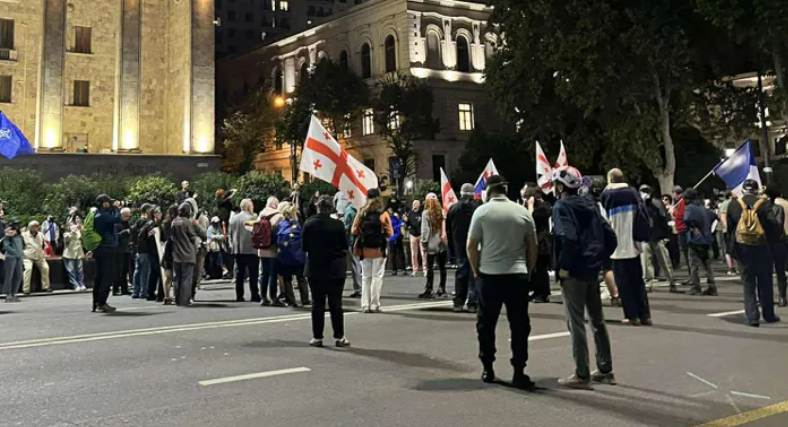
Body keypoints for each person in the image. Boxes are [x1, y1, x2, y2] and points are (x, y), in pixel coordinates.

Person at [467, 175, 537, 389]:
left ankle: (488, 367)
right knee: (519, 325)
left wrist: (476, 270)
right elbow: (532, 246)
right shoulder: (522, 212)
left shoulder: (482, 212)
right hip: (517, 275)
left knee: (486, 324)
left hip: (489, 276)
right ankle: (519, 370)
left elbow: (471, 245)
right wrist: (529, 269)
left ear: (489, 191)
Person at [552, 167, 617, 389]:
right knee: (597, 320)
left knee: (576, 322)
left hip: (575, 271)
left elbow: (567, 238)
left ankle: (581, 373)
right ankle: (605, 369)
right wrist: (600, 258)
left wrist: (564, 268)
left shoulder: (562, 206)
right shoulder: (590, 204)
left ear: (561, 187)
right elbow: (610, 235)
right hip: (592, 268)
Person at [727, 179, 782, 326]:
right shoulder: (764, 205)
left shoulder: (734, 205)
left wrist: (731, 250)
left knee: (748, 282)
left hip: (742, 248)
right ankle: (768, 314)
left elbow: (730, 229)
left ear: (743, 190)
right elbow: (774, 225)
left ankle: (752, 317)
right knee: (765, 282)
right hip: (762, 248)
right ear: (757, 190)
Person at [601, 169, 651, 326]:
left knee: (624, 283)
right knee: (638, 282)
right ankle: (645, 315)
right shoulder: (633, 194)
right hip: (634, 244)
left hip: (617, 246)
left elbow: (604, 221)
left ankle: (632, 316)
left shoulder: (606, 196)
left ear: (610, 180)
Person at [303, 195, 351, 347]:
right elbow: (345, 245)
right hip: (335, 268)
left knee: (317, 303)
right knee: (335, 303)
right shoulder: (337, 225)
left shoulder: (309, 224)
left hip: (315, 268)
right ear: (331, 207)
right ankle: (339, 336)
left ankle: (317, 337)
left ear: (317, 207)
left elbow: (304, 247)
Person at [352, 188, 393, 313]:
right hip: (379, 249)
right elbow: (390, 233)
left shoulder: (362, 212)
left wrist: (362, 233)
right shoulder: (383, 213)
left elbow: (353, 230)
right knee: (377, 277)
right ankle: (375, 304)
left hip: (365, 249)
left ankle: (365, 304)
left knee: (365, 277)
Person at [639, 185, 678, 293]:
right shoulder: (640, 204)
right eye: (643, 191)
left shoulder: (656, 203)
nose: (644, 193)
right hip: (646, 237)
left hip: (657, 237)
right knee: (647, 263)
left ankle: (672, 282)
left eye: (646, 191)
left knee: (665, 261)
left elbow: (663, 219)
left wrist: (665, 235)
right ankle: (649, 283)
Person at [447, 183, 479, 312]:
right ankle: (473, 302)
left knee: (461, 272)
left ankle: (459, 301)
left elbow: (448, 229)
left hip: (458, 244)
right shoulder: (477, 208)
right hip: (475, 244)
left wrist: (451, 246)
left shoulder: (453, 208)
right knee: (474, 272)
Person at [683, 189, 718, 296]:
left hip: (696, 239)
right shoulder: (704, 209)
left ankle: (695, 286)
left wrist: (693, 227)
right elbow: (715, 216)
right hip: (706, 239)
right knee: (707, 263)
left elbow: (686, 219)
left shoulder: (690, 208)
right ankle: (712, 286)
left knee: (694, 264)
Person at [171, 202, 207, 307]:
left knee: (177, 278)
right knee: (187, 278)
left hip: (176, 253)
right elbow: (192, 237)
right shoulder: (187, 222)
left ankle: (177, 298)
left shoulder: (174, 221)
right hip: (187, 253)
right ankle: (185, 300)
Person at [276, 203, 311, 307]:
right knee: (301, 278)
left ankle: (291, 300)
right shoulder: (298, 225)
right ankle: (305, 299)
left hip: (285, 256)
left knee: (287, 279)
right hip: (298, 256)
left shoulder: (281, 225)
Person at [93, 195, 122, 313]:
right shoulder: (103, 215)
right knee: (107, 276)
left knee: (99, 276)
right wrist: (116, 208)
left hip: (99, 248)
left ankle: (96, 303)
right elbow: (117, 220)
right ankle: (101, 302)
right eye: (108, 203)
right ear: (103, 203)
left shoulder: (96, 215)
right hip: (106, 248)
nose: (110, 204)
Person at [229, 198, 261, 302]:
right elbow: (255, 233)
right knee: (253, 273)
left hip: (237, 249)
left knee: (239, 273)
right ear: (248, 207)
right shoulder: (252, 218)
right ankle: (254, 294)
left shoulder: (233, 218)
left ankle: (239, 295)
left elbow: (230, 233)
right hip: (250, 249)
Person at [525, 185, 553, 303]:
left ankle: (543, 293)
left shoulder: (544, 207)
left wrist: (530, 206)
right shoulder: (538, 207)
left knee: (541, 269)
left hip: (542, 243)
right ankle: (537, 291)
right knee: (535, 269)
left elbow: (530, 219)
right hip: (535, 241)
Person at [420, 196, 448, 298]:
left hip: (431, 244)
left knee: (430, 267)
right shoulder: (442, 211)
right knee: (442, 267)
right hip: (441, 243)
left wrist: (424, 243)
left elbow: (425, 230)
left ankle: (429, 288)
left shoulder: (426, 213)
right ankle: (442, 288)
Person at [258, 197, 285, 306]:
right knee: (273, 274)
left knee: (264, 273)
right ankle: (273, 297)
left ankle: (263, 297)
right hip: (273, 248)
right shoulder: (279, 216)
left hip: (261, 248)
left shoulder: (261, 214)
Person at [767, 185, 788, 307]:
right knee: (768, 271)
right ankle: (772, 296)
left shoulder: (777, 208)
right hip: (772, 242)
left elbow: (778, 224)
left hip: (776, 242)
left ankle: (782, 296)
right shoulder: (765, 208)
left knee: (779, 270)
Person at [22, 221, 51, 294]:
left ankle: (46, 286)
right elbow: (21, 247)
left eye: (37, 226)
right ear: (30, 227)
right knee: (28, 269)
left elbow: (45, 245)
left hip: (39, 256)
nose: (36, 228)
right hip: (28, 257)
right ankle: (26, 289)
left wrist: (45, 252)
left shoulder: (41, 235)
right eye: (35, 226)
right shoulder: (24, 235)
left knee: (46, 268)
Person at [1, 218, 24, 302]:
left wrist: (21, 254)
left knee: (19, 276)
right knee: (9, 276)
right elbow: (6, 246)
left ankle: (14, 293)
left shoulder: (19, 234)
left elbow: (22, 245)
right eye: (16, 224)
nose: (17, 225)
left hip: (19, 257)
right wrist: (14, 252)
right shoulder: (8, 232)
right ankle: (8, 295)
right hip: (10, 257)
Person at [62, 216, 87, 292]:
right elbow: (67, 240)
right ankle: (75, 285)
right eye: (71, 225)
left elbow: (84, 238)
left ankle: (81, 283)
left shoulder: (79, 232)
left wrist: (81, 228)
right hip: (69, 253)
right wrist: (72, 232)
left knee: (80, 269)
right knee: (71, 270)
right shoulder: (66, 234)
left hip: (79, 253)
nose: (73, 226)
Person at [343, 203, 362, 298]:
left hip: (352, 240)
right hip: (363, 239)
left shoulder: (349, 211)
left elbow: (347, 227)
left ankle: (358, 289)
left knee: (355, 264)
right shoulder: (363, 208)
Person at [112, 208, 133, 296]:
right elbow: (114, 236)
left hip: (126, 249)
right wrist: (124, 232)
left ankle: (124, 289)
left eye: (129, 216)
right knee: (118, 271)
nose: (127, 218)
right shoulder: (116, 224)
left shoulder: (128, 223)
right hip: (118, 250)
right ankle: (115, 288)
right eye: (125, 216)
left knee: (125, 270)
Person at [405, 200, 427, 277]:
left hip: (420, 234)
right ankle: (415, 269)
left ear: (419, 205)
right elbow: (407, 224)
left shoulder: (422, 213)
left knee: (423, 253)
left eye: (416, 203)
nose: (414, 205)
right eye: (413, 203)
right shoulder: (410, 213)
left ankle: (425, 268)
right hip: (413, 234)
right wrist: (406, 221)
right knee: (414, 254)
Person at [718, 191, 738, 275]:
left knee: (729, 249)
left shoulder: (725, 204)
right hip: (733, 230)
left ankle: (732, 268)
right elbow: (723, 216)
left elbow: (722, 216)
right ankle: (735, 267)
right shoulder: (731, 203)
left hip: (729, 230)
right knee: (733, 249)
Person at [673, 186, 690, 275]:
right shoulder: (681, 201)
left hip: (683, 230)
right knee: (686, 252)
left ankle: (692, 275)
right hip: (682, 229)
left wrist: (674, 212)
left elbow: (682, 215)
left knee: (687, 252)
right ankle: (691, 275)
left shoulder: (682, 201)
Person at [388, 209, 406, 276]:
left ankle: (403, 269)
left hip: (399, 238)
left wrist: (402, 224)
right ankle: (394, 270)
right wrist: (399, 225)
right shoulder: (390, 220)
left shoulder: (399, 220)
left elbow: (403, 227)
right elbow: (391, 228)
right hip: (392, 239)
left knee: (401, 254)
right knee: (393, 255)